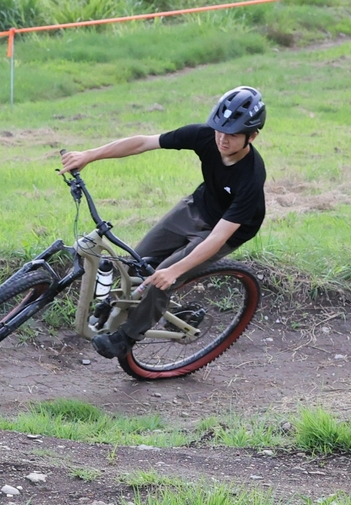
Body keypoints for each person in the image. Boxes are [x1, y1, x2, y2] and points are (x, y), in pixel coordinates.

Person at [60, 85, 267, 360]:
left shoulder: (251, 178)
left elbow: (218, 238)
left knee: (166, 275)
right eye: (219, 130)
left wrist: (174, 271)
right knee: (139, 260)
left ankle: (127, 337)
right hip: (197, 206)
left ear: (252, 136)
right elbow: (143, 142)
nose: (222, 140)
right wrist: (89, 155)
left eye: (232, 135)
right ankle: (121, 303)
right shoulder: (205, 136)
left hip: (228, 230)